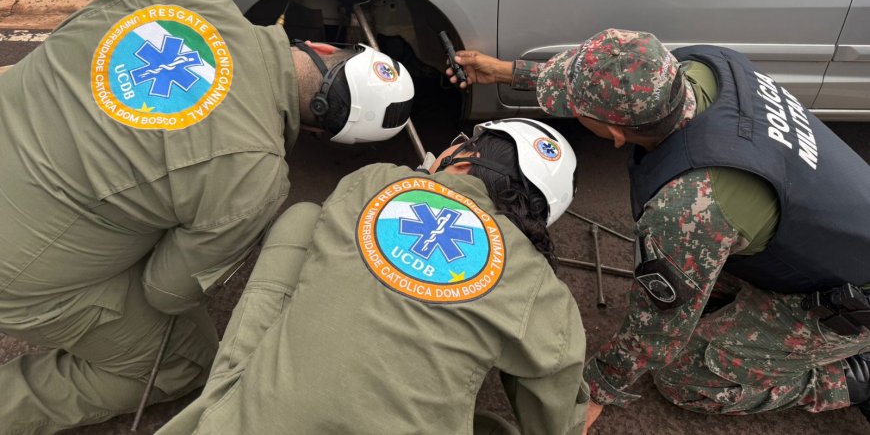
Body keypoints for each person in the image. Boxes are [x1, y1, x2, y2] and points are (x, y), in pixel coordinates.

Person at [0, 0, 415, 435]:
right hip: (14, 273)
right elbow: (165, 293)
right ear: (316, 129)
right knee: (185, 360)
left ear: (323, 49)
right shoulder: (254, 181)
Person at [447, 29, 870, 429]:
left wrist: (598, 387)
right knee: (703, 279)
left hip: (844, 299)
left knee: (683, 376)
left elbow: (657, 331)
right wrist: (508, 72)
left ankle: (849, 378)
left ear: (614, 134)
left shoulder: (688, 208)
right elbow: (610, 73)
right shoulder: (703, 67)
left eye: (577, 111)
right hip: (835, 232)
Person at [155, 118, 589, 435]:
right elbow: (557, 408)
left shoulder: (378, 179)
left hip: (245, 423)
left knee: (307, 218)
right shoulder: (540, 287)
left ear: (462, 163)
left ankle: (224, 401)